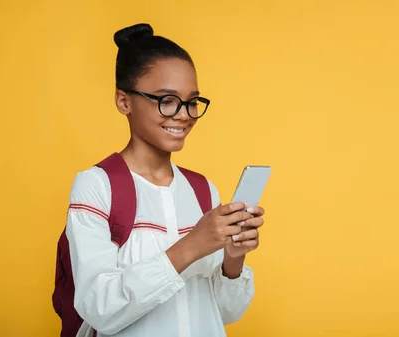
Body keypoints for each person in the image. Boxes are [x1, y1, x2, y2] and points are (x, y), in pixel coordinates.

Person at [65, 23, 265, 337]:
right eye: (167, 100)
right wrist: (192, 246)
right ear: (124, 101)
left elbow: (225, 312)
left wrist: (233, 259)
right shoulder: (97, 186)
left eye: (192, 101)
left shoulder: (202, 191)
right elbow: (99, 309)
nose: (184, 114)